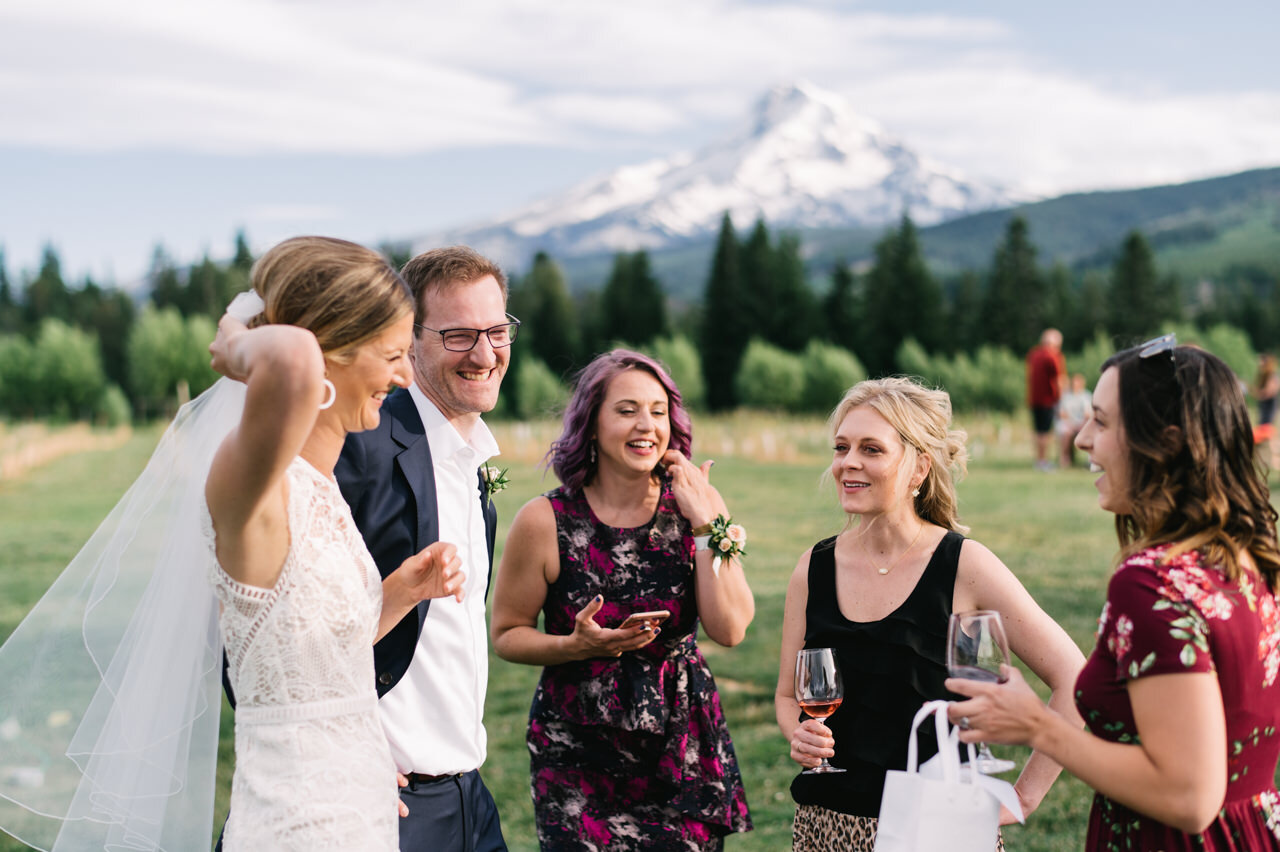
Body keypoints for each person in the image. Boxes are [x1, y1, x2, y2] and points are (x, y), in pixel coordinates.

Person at [0, 236, 465, 851]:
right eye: (391, 355)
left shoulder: (319, 490)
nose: (406, 376)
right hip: (296, 826)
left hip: (360, 811)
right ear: (330, 352)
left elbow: (311, 659)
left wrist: (401, 592)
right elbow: (293, 361)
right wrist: (234, 335)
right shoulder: (254, 491)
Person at [947, 336, 1280, 850]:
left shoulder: (1151, 583)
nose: (1081, 439)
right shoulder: (1247, 556)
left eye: (1101, 421)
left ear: (1165, 442)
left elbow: (1190, 797)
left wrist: (1038, 724)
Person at [775, 376, 1085, 852]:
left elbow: (1074, 679)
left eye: (871, 449)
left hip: (937, 832)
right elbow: (785, 696)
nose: (848, 462)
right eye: (841, 447)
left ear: (918, 468)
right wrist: (799, 734)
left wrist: (1023, 796)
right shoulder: (811, 569)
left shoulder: (964, 566)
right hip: (825, 829)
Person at [490, 349, 754, 851]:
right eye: (627, 409)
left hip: (679, 746)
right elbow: (506, 634)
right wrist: (575, 646)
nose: (646, 425)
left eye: (658, 411)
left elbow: (731, 628)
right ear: (590, 423)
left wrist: (704, 525)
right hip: (578, 752)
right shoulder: (544, 520)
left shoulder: (697, 508)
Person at [335, 246, 514, 852]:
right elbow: (267, 630)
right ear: (410, 341)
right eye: (459, 335)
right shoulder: (360, 448)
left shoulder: (476, 467)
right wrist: (333, 748)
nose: (485, 354)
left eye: (496, 331)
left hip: (471, 802)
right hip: (386, 806)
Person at [1027, 328, 1066, 472]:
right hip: (1048, 400)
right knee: (1045, 432)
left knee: (1038, 432)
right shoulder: (1053, 356)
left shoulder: (1033, 354)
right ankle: (1043, 461)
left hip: (1034, 399)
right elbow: (1058, 379)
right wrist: (1061, 400)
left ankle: (1039, 460)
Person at [1057, 373, 1092, 468]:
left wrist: (1080, 425)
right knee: (1065, 432)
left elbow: (1087, 414)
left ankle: (1090, 460)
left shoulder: (1086, 396)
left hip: (1082, 424)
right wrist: (1070, 424)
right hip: (1069, 424)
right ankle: (1064, 459)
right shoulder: (1066, 396)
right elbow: (1062, 414)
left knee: (1089, 432)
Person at [1253, 353, 1279, 470]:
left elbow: (1269, 392)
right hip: (1264, 410)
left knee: (1268, 434)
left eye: (1262, 362)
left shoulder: (1272, 377)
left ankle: (1276, 461)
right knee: (1267, 437)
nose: (1260, 364)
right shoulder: (1263, 377)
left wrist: (1257, 393)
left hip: (1269, 410)